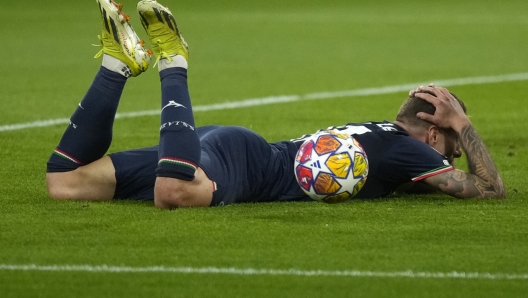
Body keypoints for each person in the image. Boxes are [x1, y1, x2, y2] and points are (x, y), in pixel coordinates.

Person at [46, 0, 506, 209]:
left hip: (220, 148)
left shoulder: (381, 139)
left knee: (65, 184)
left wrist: (453, 128)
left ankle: (114, 67)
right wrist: (462, 123)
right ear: (431, 132)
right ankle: (174, 62)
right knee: (174, 194)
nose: (452, 155)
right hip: (243, 165)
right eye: (449, 145)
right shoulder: (410, 151)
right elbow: (490, 189)